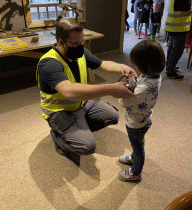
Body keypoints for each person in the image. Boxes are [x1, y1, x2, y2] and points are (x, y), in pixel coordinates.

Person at [36, 20, 137, 163]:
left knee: (112, 116)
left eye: (82, 42)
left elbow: (102, 65)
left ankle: (76, 127)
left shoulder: (80, 52)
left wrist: (122, 68)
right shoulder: (49, 64)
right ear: (61, 42)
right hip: (59, 110)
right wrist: (110, 89)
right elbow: (68, 91)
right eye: (75, 44)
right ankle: (58, 136)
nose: (80, 47)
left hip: (81, 103)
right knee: (87, 146)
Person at [118, 39, 165, 182]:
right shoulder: (155, 77)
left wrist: (127, 88)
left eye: (137, 65)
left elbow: (123, 102)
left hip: (135, 123)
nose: (136, 67)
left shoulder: (142, 90)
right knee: (138, 143)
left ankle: (136, 173)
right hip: (143, 119)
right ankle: (134, 157)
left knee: (138, 147)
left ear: (147, 67)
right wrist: (134, 82)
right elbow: (141, 85)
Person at [164, 0, 192, 80]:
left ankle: (170, 66)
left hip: (173, 25)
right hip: (178, 27)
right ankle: (170, 71)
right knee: (178, 49)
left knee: (172, 47)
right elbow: (185, 12)